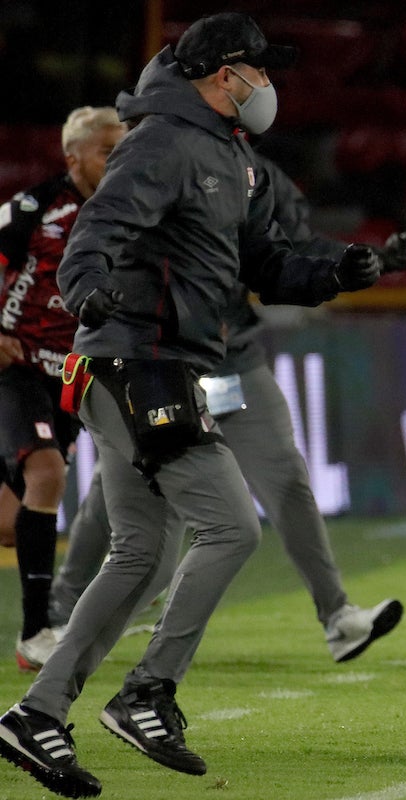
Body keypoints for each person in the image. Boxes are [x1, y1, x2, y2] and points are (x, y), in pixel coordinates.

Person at [0, 13, 383, 798]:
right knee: (231, 525)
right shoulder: (162, 140)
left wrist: (335, 273)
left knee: (142, 550)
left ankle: (36, 715)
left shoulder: (226, 154)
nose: (268, 85)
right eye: (259, 70)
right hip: (137, 361)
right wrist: (90, 292)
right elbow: (93, 235)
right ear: (222, 75)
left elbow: (260, 264)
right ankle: (147, 692)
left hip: (166, 365)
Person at [47, 154, 406, 663]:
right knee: (119, 492)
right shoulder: (157, 160)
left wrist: (366, 260)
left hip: (229, 367)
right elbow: (97, 241)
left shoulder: (252, 170)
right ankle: (61, 613)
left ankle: (338, 616)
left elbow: (291, 245)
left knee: (285, 478)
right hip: (160, 361)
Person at [0, 106, 127, 672]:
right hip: (17, 365)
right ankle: (35, 633)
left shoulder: (126, 214)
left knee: (12, 522)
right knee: (47, 473)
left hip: (70, 377)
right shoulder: (33, 209)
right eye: (106, 149)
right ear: (72, 157)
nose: (116, 158)